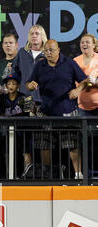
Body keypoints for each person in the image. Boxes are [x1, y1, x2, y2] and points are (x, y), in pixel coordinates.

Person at [26, 39, 88, 179]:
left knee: (72, 144)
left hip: (68, 111)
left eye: (51, 50)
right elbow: (28, 83)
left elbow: (86, 81)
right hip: (46, 111)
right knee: (44, 145)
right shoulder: (39, 65)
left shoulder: (69, 63)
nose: (48, 53)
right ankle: (49, 174)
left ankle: (78, 174)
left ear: (58, 49)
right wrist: (31, 85)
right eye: (46, 50)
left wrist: (78, 90)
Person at [12, 25, 47, 176]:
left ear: (42, 36)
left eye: (37, 34)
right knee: (26, 136)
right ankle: (28, 168)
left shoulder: (48, 53)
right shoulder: (22, 53)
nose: (34, 36)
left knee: (45, 138)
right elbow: (14, 73)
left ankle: (46, 171)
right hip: (26, 99)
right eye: (32, 33)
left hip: (44, 100)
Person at [73, 34, 98, 116]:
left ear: (94, 45)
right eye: (82, 42)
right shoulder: (75, 61)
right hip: (83, 108)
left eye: (87, 42)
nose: (84, 44)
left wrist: (95, 82)